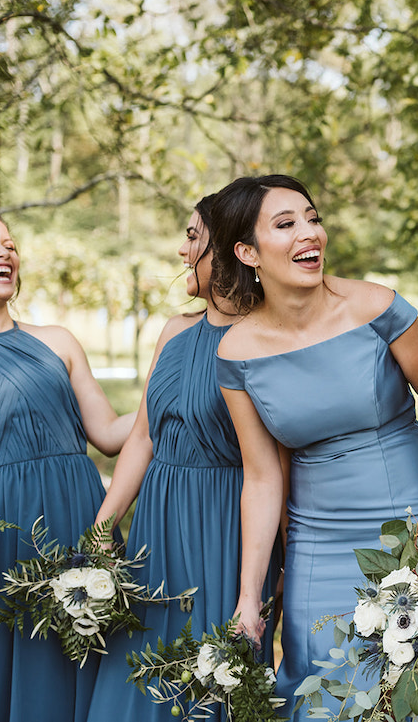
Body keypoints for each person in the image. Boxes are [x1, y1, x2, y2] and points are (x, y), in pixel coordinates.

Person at [210, 175, 418, 719]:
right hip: (316, 538)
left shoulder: (380, 308)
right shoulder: (236, 353)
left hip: (407, 526)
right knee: (316, 688)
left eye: (312, 218)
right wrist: (249, 596)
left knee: (404, 696)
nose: (309, 233)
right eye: (286, 224)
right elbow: (262, 476)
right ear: (247, 252)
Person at [86, 194, 281, 720]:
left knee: (205, 683)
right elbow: (144, 438)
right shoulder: (174, 332)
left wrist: (255, 587)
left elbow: (275, 467)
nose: (181, 250)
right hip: (156, 533)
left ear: (227, 249)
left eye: (193, 237)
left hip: (225, 530)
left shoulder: (268, 337)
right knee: (134, 683)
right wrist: (103, 529)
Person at [0, 208, 134, 722]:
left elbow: (110, 435)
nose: (4, 252)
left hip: (78, 519)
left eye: (9, 244)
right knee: (3, 659)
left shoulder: (59, 341)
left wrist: (170, 391)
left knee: (82, 654)